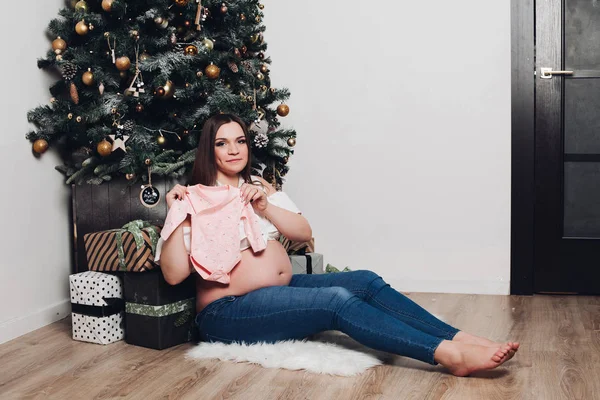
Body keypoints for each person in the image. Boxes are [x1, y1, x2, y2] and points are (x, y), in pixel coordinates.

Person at [156, 113, 519, 377]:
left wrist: (264, 205)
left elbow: (303, 232)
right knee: (336, 301)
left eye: (240, 141)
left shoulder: (257, 187)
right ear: (210, 150)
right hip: (228, 312)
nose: (233, 149)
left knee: (363, 280)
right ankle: (447, 354)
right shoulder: (195, 199)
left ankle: (462, 337)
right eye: (222, 143)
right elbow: (174, 275)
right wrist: (177, 215)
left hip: (278, 291)